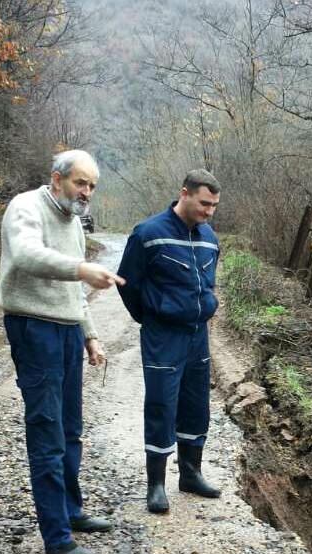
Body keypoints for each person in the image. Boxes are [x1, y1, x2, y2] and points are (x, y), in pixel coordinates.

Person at [0, 150, 124, 554]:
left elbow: (73, 290)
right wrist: (82, 269)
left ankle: (71, 511)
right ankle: (57, 537)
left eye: (91, 186)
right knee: (47, 432)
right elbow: (27, 256)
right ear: (57, 179)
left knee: (70, 430)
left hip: (68, 333)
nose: (86, 192)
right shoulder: (25, 207)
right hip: (34, 329)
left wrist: (91, 335)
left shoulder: (73, 221)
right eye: (80, 183)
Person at [117, 170, 223, 513]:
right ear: (185, 194)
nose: (209, 212)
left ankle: (190, 474)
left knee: (196, 405)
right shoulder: (148, 234)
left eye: (214, 206)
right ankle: (157, 485)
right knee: (162, 405)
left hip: (198, 335)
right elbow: (127, 284)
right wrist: (152, 317)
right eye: (204, 204)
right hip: (163, 335)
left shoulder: (209, 237)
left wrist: (207, 306)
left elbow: (208, 284)